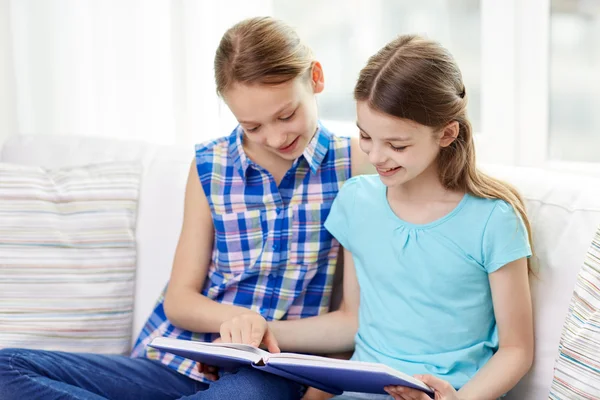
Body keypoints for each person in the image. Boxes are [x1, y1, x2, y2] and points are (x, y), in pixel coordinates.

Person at [0, 16, 370, 400]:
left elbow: (350, 321)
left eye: (286, 115)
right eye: (252, 126)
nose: (275, 137)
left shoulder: (354, 165)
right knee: (6, 369)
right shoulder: (211, 165)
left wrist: (260, 332)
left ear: (316, 78)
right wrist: (235, 321)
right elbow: (179, 299)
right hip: (176, 362)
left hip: (267, 372)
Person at [218, 34, 534, 400]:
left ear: (447, 133)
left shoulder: (494, 220)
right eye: (366, 136)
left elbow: (517, 350)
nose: (378, 156)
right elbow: (351, 321)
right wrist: (262, 329)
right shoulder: (357, 201)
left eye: (397, 145)